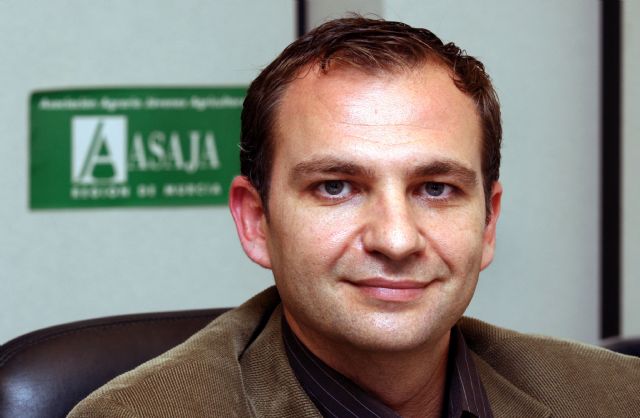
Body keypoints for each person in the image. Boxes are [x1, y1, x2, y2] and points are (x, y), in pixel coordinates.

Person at [69, 16, 639, 418]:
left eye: (435, 189)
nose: (396, 238)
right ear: (256, 221)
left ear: (488, 223)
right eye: (335, 187)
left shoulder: (619, 398)